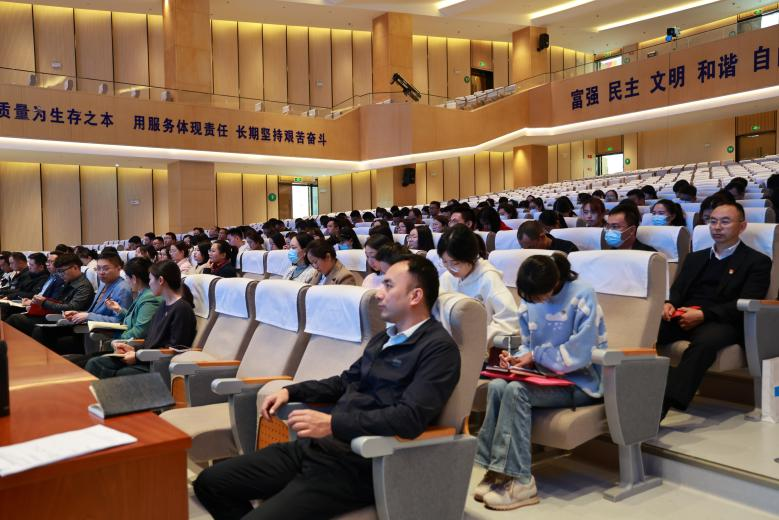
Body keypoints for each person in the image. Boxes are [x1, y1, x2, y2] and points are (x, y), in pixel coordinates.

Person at [193, 254, 460, 519]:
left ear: (415, 296)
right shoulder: (383, 339)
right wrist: (291, 391)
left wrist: (333, 424)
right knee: (210, 484)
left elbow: (409, 418)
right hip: (319, 448)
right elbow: (344, 382)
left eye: (388, 285)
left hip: (359, 463)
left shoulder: (438, 349)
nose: (378, 293)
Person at [474, 253, 606, 510]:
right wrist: (516, 358)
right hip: (542, 378)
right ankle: (497, 471)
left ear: (554, 283)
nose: (531, 302)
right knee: (498, 386)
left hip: (580, 381)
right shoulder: (530, 300)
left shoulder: (582, 295)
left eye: (536, 297)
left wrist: (535, 357)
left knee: (517, 391)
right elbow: (527, 344)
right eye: (528, 297)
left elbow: (581, 352)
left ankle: (522, 481)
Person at [658, 202, 771, 418]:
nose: (717, 227)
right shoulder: (695, 257)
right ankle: (620, 388)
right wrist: (668, 303)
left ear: (742, 226)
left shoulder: (757, 261)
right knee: (647, 330)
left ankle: (661, 405)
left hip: (722, 321)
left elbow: (746, 302)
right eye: (713, 221)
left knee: (705, 343)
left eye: (725, 222)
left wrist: (704, 315)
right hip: (684, 314)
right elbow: (678, 289)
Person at [86, 260, 196, 378]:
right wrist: (133, 348)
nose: (149, 283)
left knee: (98, 365)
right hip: (148, 358)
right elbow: (152, 341)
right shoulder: (164, 305)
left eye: (150, 279)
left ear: (161, 280)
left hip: (159, 364)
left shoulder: (182, 309)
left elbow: (176, 350)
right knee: (95, 363)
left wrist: (138, 356)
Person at [31, 253, 133, 355]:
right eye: (98, 268)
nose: (101, 272)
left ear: (118, 268)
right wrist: (78, 313)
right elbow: (93, 312)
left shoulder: (122, 289)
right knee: (41, 331)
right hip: (86, 329)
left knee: (44, 335)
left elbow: (121, 321)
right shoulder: (104, 284)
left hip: (100, 334)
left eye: (106, 268)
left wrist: (88, 316)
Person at [437, 224, 519, 344]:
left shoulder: (488, 278)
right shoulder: (447, 277)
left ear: (471, 257)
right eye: (444, 262)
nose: (450, 268)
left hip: (476, 344)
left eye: (455, 263)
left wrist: (478, 337)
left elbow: (510, 319)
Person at [83, 257, 162, 358]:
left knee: (89, 361)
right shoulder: (143, 294)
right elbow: (135, 317)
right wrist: (119, 310)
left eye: (127, 278)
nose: (126, 281)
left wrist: (115, 336)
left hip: (134, 351)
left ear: (133, 278)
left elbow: (139, 332)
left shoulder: (149, 297)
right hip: (129, 346)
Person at [6, 253, 95, 337]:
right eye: (58, 271)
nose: (60, 274)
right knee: (15, 317)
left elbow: (71, 307)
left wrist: (44, 303)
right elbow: (56, 301)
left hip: (68, 323)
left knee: (17, 319)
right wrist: (37, 305)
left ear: (75, 267)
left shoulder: (83, 286)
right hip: (54, 315)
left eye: (62, 271)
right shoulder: (68, 281)